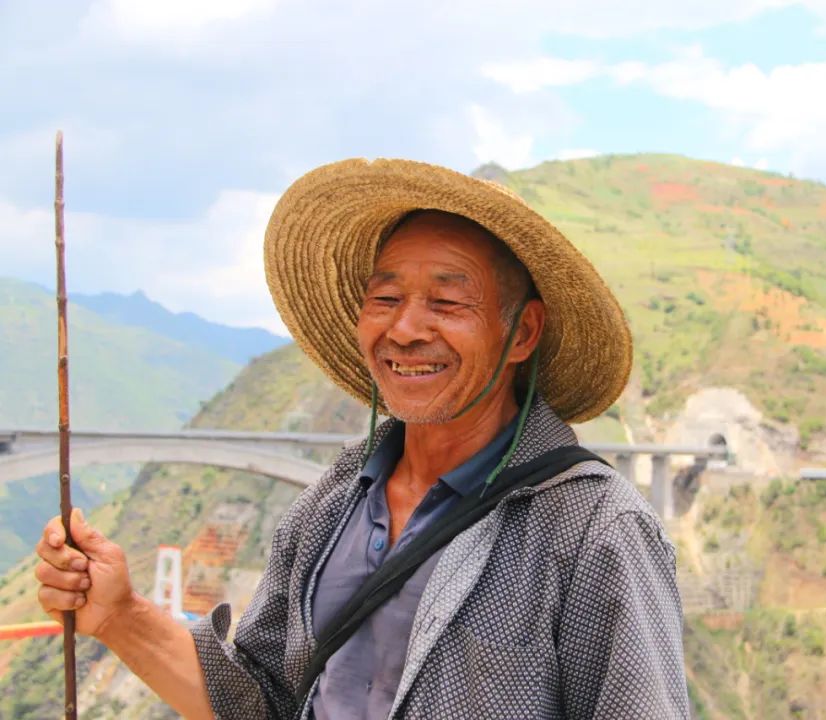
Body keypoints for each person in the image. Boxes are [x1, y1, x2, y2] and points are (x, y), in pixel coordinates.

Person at [35, 158, 689, 719]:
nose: (405, 330)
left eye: (447, 302)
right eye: (386, 299)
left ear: (521, 334)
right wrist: (119, 614)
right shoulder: (335, 500)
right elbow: (257, 705)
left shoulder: (593, 529)